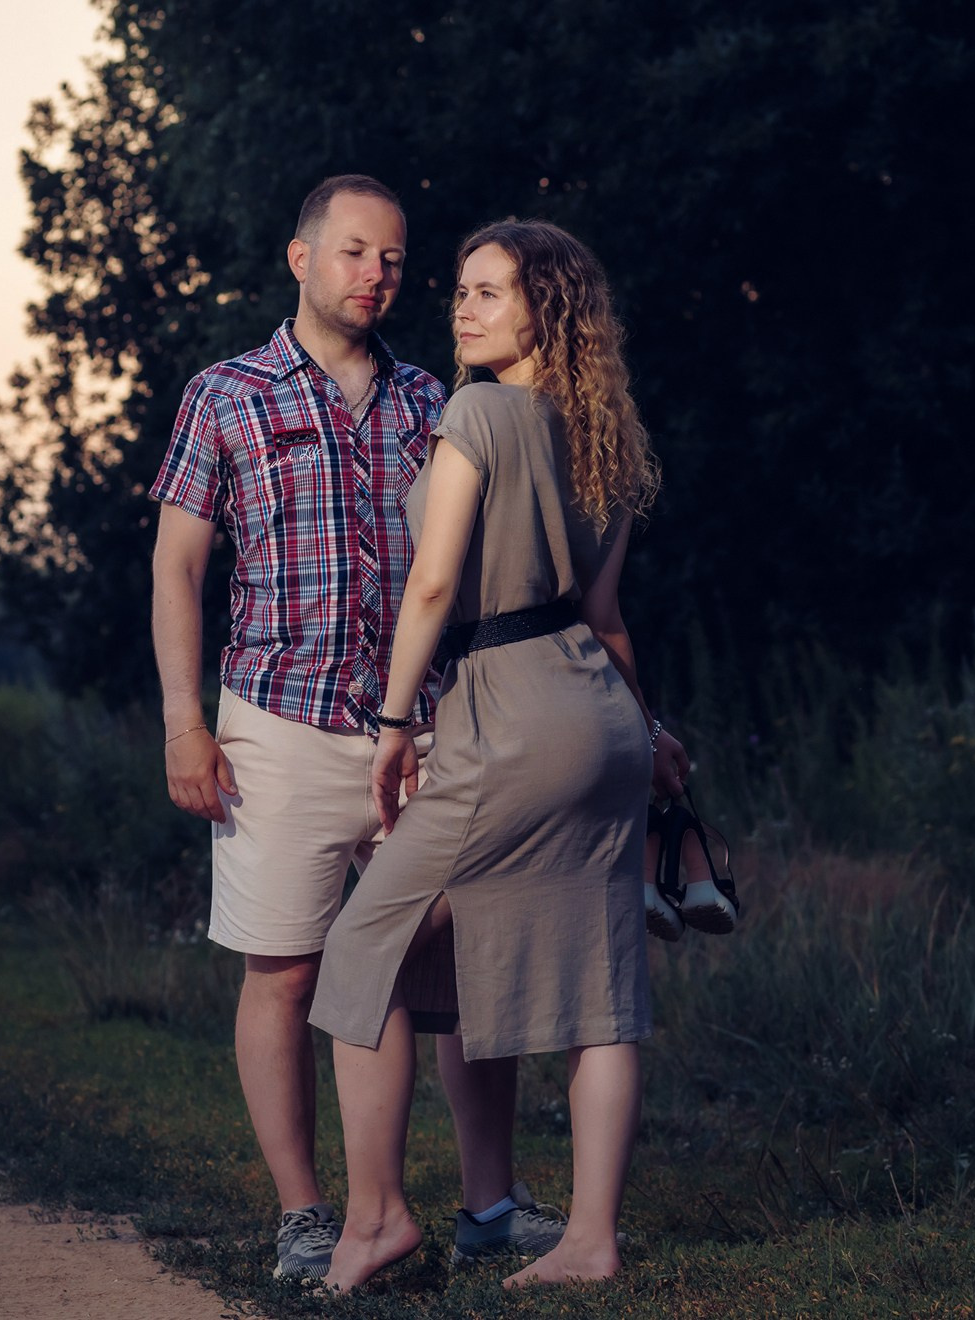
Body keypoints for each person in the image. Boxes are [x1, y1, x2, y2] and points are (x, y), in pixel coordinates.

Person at [149, 177, 569, 1281]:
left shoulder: (440, 398)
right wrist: (182, 726)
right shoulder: (224, 395)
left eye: (391, 258)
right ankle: (305, 1214)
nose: (375, 274)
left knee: (461, 974)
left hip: (426, 731)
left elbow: (478, 573)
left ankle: (488, 1206)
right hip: (275, 726)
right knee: (285, 974)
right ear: (300, 258)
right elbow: (178, 566)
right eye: (353, 252)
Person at [307, 218, 691, 1292]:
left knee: (361, 948)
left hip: (506, 716)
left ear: (544, 310)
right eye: (461, 292)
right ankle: (589, 1241)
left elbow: (433, 587)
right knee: (599, 991)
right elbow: (607, 618)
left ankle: (376, 1223)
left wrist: (392, 727)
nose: (462, 308)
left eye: (489, 293)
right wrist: (648, 731)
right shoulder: (605, 431)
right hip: (596, 719)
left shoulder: (477, 411)